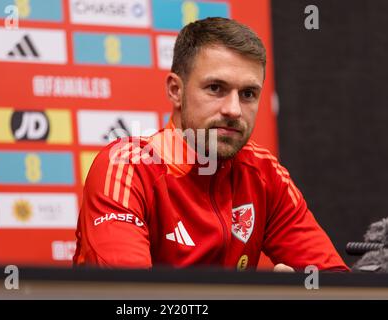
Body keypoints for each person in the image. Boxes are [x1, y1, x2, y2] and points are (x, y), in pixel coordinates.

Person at [73, 17, 349, 272]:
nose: (234, 110)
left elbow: (336, 287)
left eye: (248, 94)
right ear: (176, 90)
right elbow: (129, 299)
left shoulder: (266, 174)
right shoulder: (128, 167)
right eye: (216, 88)